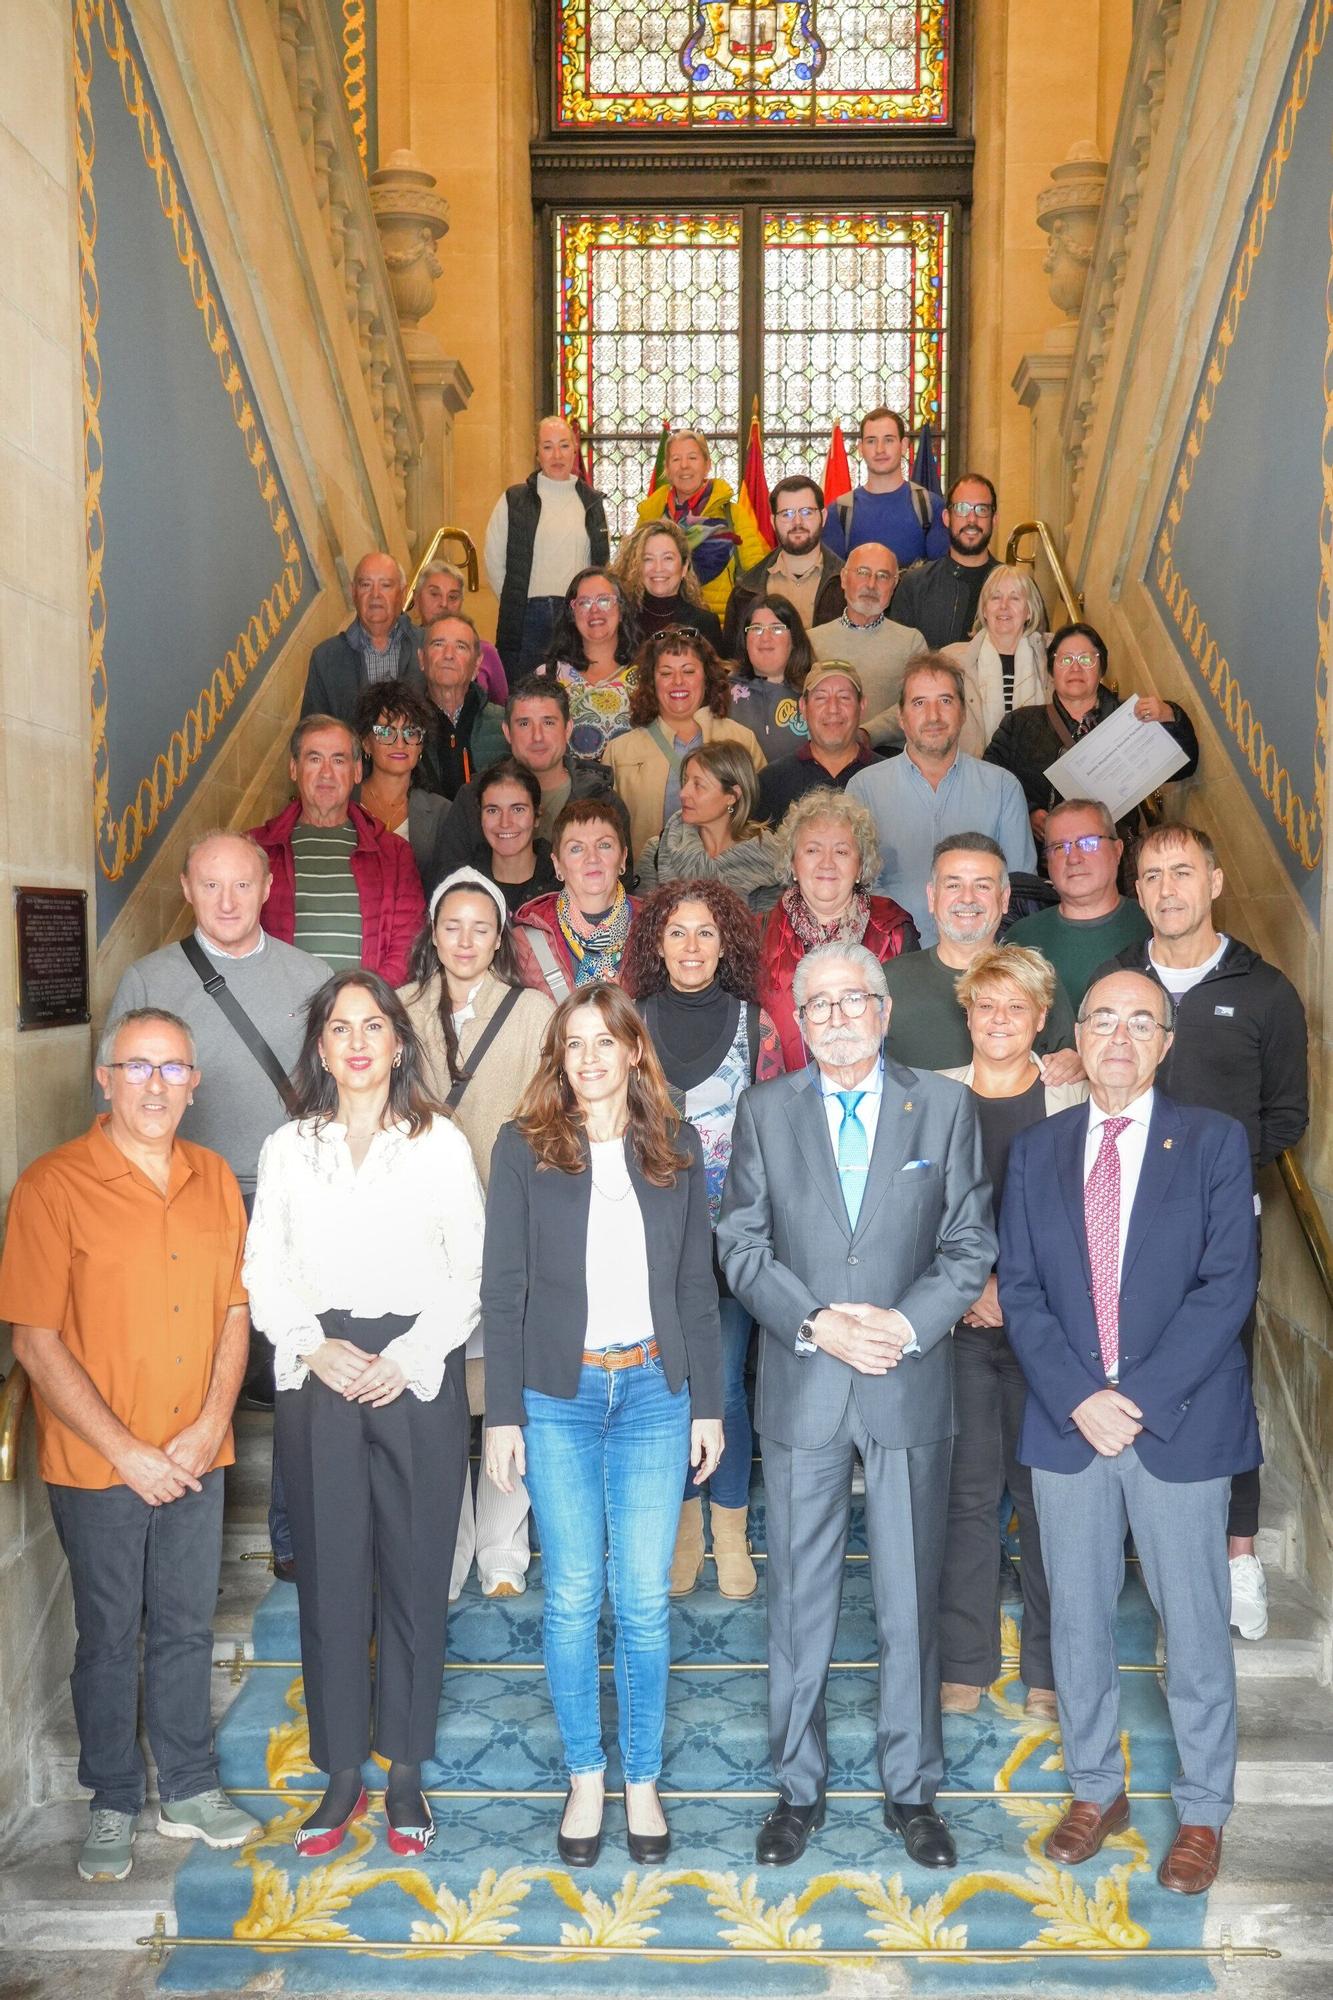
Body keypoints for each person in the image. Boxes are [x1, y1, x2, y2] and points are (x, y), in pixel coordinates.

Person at [718, 943, 995, 1870]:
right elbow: (741, 1243)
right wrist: (817, 1325)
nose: (836, 1018)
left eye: (852, 1001)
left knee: (908, 1599)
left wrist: (904, 1327)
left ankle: (911, 1790)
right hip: (804, 1382)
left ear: (883, 1009)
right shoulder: (763, 1111)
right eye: (818, 1005)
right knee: (798, 1601)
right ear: (798, 1020)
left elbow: (967, 1244)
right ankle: (796, 1791)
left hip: (905, 1379)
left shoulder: (943, 1107)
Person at [1000, 970, 1260, 1896]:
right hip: (1067, 1422)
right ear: (1075, 1037)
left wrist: (1134, 1399)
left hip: (1176, 1424)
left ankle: (1201, 1809)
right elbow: (1019, 1288)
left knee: (1191, 1625)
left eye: (1140, 1022)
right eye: (1102, 1019)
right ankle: (1094, 1790)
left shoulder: (1214, 1143)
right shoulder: (1036, 1150)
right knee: (1074, 1619)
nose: (1119, 1037)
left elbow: (1226, 1286)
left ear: (1165, 1043)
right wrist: (1081, 1396)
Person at [0, 1008, 259, 1883]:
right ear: (104, 1080)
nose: (155, 1085)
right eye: (137, 1067)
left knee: (185, 1626)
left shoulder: (213, 1176)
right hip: (97, 1465)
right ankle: (111, 1797)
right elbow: (35, 1341)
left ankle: (188, 1786)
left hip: (196, 1455)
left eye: (172, 1068)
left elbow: (235, 1313)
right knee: (109, 1635)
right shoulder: (52, 1186)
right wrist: (128, 1452)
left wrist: (208, 1427)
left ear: (194, 1084)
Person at [244, 972, 485, 1858]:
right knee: (332, 1574)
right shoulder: (288, 1148)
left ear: (397, 1043)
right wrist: (311, 1346)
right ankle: (342, 1771)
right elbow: (263, 1267)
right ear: (321, 1047)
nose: (356, 1042)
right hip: (320, 1369)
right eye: (340, 1028)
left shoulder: (438, 1143)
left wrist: (409, 1358)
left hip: (414, 1371)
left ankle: (405, 1768)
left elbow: (471, 1270)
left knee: (415, 1573)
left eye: (372, 1026)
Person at [482, 983, 724, 1866]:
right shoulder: (523, 1146)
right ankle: (586, 1776)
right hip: (560, 1395)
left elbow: (695, 1285)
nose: (588, 1058)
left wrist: (708, 1403)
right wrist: (501, 1413)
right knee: (576, 1593)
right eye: (572, 1043)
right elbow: (503, 1288)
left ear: (632, 1051)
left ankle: (642, 1781)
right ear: (560, 1056)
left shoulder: (677, 1146)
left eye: (603, 1041)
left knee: (644, 1601)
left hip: (655, 1394)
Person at [104, 831, 332, 1575]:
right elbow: (111, 1099)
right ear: (186, 889)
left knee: (297, 1364)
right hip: (185, 1197)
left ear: (267, 888)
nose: (227, 901)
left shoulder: (311, 976)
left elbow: (338, 1092)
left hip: (289, 1198)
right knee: (195, 1365)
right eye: (210, 885)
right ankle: (181, 1545)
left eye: (241, 885)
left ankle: (292, 1538)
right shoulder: (148, 979)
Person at [1108, 822, 1309, 1640]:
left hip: (1219, 1228)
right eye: (1151, 875)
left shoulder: (1264, 991)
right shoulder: (1118, 980)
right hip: (1118, 1221)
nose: (1167, 889)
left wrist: (1209, 1178)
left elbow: (1285, 1116)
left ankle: (1237, 1556)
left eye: (1182, 872)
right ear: (1137, 890)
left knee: (1223, 1383)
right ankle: (1133, 1545)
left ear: (1215, 882)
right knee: (1120, 1368)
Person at [622, 882, 786, 1599]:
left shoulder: (757, 1025)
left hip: (732, 1242)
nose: (691, 947)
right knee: (669, 1388)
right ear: (657, 944)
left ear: (727, 946)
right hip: (644, 1243)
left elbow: (780, 1136)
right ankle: (683, 1529)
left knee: (722, 1388)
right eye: (677, 933)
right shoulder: (627, 1024)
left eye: (706, 933)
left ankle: (730, 1530)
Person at [936, 945, 1086, 1717]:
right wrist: (967, 1289)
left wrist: (1015, 1295)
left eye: (1015, 1007)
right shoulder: (930, 1096)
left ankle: (1049, 1672)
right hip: (959, 1328)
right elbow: (911, 1218)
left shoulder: (1074, 1096)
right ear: (966, 1013)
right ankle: (961, 1662)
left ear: (1040, 1017)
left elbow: (1090, 1225)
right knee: (965, 1496)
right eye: (985, 1005)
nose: (998, 1020)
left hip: (1050, 1333)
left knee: (1046, 1500)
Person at [400, 869, 555, 1600]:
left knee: (505, 1389)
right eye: (452, 927)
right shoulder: (398, 1009)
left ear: (500, 939)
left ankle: (502, 1548)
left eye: (480, 928)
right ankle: (447, 1546)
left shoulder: (532, 1011)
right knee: (433, 1392)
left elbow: (552, 1114)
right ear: (433, 935)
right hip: (419, 1237)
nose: (465, 941)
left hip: (505, 1224)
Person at [846, 657, 1037, 945]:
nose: (933, 716)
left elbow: (1019, 890)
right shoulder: (864, 789)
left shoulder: (1002, 788)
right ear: (901, 717)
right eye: (919, 703)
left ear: (963, 712)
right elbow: (855, 886)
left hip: (982, 956)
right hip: (889, 954)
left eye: (945, 701)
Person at [984, 622, 1199, 846]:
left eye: (1086, 660)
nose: (1075, 668)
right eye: (1065, 659)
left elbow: (1186, 765)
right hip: (1042, 856)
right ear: (1051, 670)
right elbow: (990, 780)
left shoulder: (1131, 719)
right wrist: (1027, 812)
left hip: (1112, 855)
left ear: (1101, 668)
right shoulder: (1019, 724)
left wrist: (1170, 715)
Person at [250, 715, 425, 985]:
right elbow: (234, 939)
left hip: (365, 1008)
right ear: (294, 768)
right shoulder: (255, 850)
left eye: (339, 760)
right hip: (280, 1007)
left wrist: (362, 1001)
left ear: (357, 771)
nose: (326, 773)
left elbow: (407, 945)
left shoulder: (394, 853)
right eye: (314, 759)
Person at [880, 835, 1077, 1072]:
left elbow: (1069, 1069)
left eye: (982, 886)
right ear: (932, 897)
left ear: (1004, 899)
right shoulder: (887, 982)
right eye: (953, 885)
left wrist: (1076, 1064)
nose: (967, 898)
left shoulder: (1037, 980)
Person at [759, 788, 917, 1071]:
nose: (827, 863)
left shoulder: (894, 932)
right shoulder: (757, 934)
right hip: (781, 1093)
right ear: (792, 863)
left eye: (842, 851)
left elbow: (907, 1034)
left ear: (860, 867)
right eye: (812, 850)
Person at [605, 629, 764, 857]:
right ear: (651, 681)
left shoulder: (742, 739)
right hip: (649, 875)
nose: (678, 681)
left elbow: (759, 817)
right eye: (666, 673)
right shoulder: (619, 752)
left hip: (730, 874)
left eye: (688, 671)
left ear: (706, 677)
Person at [485, 415, 610, 676]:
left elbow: (600, 565)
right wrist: (516, 603)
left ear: (574, 449)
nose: (557, 455)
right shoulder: (514, 500)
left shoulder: (591, 503)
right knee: (526, 693)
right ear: (537, 453)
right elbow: (494, 561)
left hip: (576, 618)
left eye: (564, 445)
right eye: (548, 446)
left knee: (573, 691)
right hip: (526, 621)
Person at [1005, 798, 1150, 1009]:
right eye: (1059, 847)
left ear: (1117, 850)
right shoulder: (1021, 939)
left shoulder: (1152, 924)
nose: (1073, 858)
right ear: (1047, 861)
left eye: (1088, 843)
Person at [634, 427, 769, 619]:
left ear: (707, 464)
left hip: (721, 627)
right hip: (660, 624)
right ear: (667, 469)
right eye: (676, 459)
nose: (684, 466)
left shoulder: (732, 514)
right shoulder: (651, 516)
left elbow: (756, 577)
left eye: (692, 457)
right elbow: (632, 573)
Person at [513, 796, 638, 998]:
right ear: (557, 864)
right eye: (576, 848)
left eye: (604, 845)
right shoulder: (526, 941)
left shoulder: (656, 926)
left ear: (623, 857)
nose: (592, 858)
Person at [638, 741, 784, 913]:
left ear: (732, 796)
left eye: (698, 785)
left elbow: (768, 928)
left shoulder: (769, 862)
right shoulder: (657, 852)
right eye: (685, 781)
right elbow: (644, 924)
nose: (683, 793)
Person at [808, 544, 927, 742]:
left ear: (894, 585)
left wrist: (867, 734)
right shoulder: (812, 640)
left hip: (890, 754)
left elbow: (918, 703)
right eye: (863, 572)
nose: (871, 584)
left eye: (883, 576)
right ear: (844, 578)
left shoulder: (912, 643)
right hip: (826, 751)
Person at [722, 475, 846, 649]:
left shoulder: (848, 584)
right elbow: (734, 658)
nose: (797, 522)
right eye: (786, 514)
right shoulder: (745, 591)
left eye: (806, 512)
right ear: (773, 522)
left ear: (823, 517)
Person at [353, 679, 452, 896]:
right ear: (366, 742)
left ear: (421, 746)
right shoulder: (343, 802)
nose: (400, 743)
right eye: (386, 732)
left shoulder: (442, 812)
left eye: (411, 732)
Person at [301, 551, 425, 721]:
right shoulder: (326, 658)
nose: (375, 595)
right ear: (353, 592)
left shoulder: (428, 645)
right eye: (366, 585)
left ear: (403, 594)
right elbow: (313, 729)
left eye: (386, 585)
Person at [755, 661, 883, 822]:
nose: (833, 709)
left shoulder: (888, 778)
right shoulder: (771, 781)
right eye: (821, 698)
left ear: (862, 706)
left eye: (844, 697)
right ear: (803, 707)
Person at [821, 408, 948, 567]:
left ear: (903, 445)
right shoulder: (839, 513)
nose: (880, 449)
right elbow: (834, 577)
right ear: (860, 448)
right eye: (871, 441)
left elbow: (940, 575)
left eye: (888, 440)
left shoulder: (931, 507)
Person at [538, 567, 642, 759]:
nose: (594, 610)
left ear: (621, 610)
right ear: (572, 614)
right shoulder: (548, 676)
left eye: (604, 601)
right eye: (584, 603)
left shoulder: (647, 674)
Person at [889, 473, 1002, 649]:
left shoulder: (1016, 587)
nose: (972, 519)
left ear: (994, 520)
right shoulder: (915, 586)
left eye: (982, 509)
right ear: (946, 518)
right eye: (961, 509)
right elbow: (898, 655)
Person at [943, 565, 1048, 753]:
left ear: (1030, 611)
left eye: (1015, 598)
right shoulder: (951, 661)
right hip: (973, 767)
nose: (1004, 606)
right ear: (984, 610)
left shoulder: (1051, 657)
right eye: (995, 597)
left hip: (1036, 767)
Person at [417, 614, 507, 799]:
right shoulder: (406, 727)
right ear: (421, 659)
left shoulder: (505, 725)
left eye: (461, 647)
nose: (448, 655)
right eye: (438, 644)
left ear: (477, 663)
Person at [462, 757, 561, 916]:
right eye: (493, 810)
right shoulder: (462, 885)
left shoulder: (564, 883)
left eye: (517, 809)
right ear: (480, 817)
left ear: (537, 816)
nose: (505, 823)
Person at [726, 595, 817, 762]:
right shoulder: (722, 693)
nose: (765, 638)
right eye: (756, 628)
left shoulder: (816, 693)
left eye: (777, 628)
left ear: (794, 639)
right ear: (745, 640)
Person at [612, 518, 723, 649]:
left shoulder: (705, 624)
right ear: (636, 566)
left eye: (668, 558)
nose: (658, 568)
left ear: (684, 567)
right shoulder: (621, 620)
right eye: (648, 559)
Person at [411, 559, 507, 704]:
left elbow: (503, 708)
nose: (444, 604)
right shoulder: (405, 649)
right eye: (434, 594)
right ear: (416, 599)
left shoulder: (485, 652)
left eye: (453, 597)